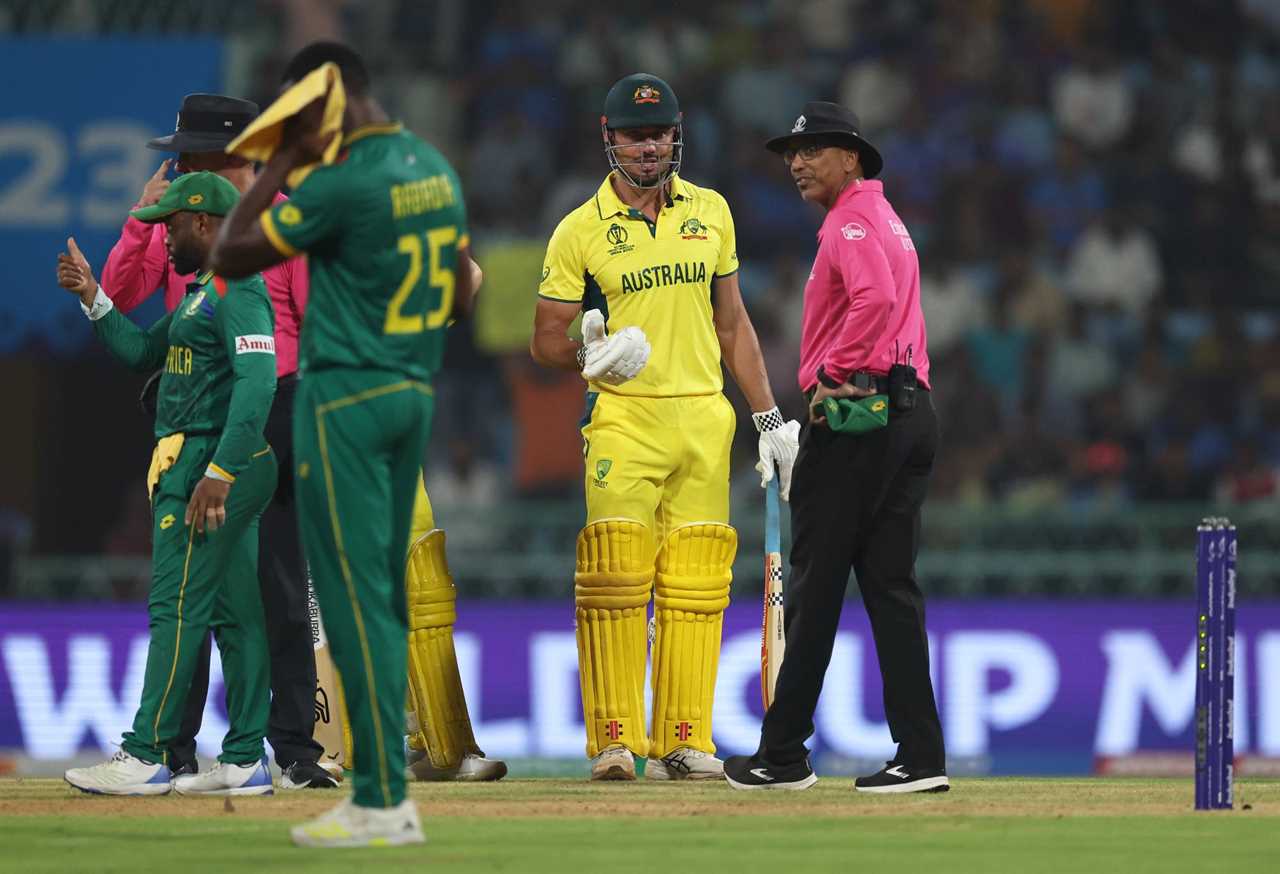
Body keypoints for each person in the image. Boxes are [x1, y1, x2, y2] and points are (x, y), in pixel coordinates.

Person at [210, 41, 478, 847]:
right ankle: (385, 791)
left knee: (354, 600)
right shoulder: (433, 166)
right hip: (412, 394)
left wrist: (278, 161)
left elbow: (229, 253)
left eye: (300, 117)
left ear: (325, 101)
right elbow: (464, 293)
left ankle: (381, 799)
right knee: (384, 599)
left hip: (345, 400)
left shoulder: (337, 179)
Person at [531, 73, 799, 781]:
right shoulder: (579, 229)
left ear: (676, 135)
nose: (648, 147)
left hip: (705, 418)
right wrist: (589, 353)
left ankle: (686, 740)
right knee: (616, 576)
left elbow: (733, 322)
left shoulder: (711, 211)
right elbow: (544, 341)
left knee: (697, 582)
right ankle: (615, 740)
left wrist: (767, 414)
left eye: (659, 133)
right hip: (625, 418)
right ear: (609, 137)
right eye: (634, 134)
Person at [103, 93, 331, 789]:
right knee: (194, 586)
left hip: (278, 404)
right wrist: (142, 221)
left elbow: (319, 320)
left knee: (280, 585)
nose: (178, 162)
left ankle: (293, 749)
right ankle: (175, 749)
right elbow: (122, 287)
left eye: (192, 151)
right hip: (203, 407)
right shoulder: (184, 221)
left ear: (236, 156)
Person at [723, 102, 947, 793]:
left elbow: (873, 303)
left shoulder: (847, 221)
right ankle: (921, 756)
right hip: (912, 412)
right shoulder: (887, 220)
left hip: (860, 415)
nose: (796, 162)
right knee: (891, 589)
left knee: (815, 586)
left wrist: (830, 375)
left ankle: (782, 753)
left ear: (850, 157)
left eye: (813, 149)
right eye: (791, 152)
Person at [59, 172, 278, 796]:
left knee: (176, 605)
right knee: (235, 611)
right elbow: (141, 353)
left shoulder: (238, 288)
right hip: (211, 462)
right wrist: (95, 297)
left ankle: (145, 752)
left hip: (213, 463)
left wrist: (218, 472)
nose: (165, 238)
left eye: (172, 225)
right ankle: (243, 758)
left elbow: (259, 382)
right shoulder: (200, 292)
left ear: (205, 223)